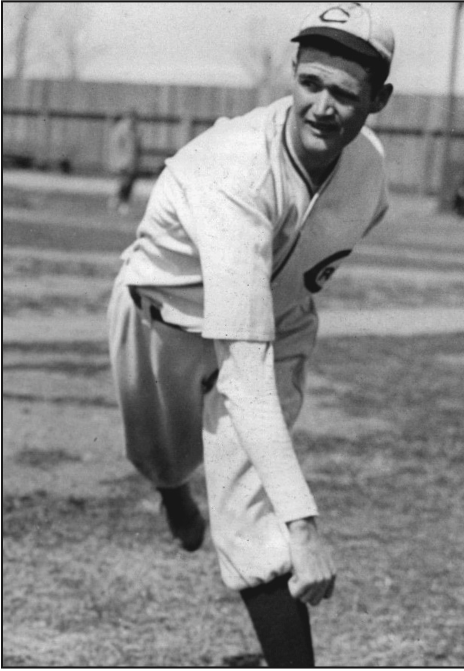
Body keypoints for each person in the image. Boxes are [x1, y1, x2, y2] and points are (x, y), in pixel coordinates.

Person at [108, 3, 395, 666]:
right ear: (292, 75)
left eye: (345, 93)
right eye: (310, 84)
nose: (322, 106)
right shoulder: (234, 171)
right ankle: (174, 491)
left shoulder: (369, 171)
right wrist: (310, 527)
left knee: (254, 501)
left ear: (379, 99)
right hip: (164, 314)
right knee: (159, 454)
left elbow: (310, 264)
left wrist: (287, 523)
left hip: (276, 316)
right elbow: (241, 371)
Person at [108, 110, 141, 215]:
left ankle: (122, 203)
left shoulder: (135, 130)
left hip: (132, 162)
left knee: (129, 184)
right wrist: (120, 161)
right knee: (123, 183)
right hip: (122, 162)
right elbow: (116, 147)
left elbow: (136, 148)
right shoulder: (120, 130)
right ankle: (118, 202)